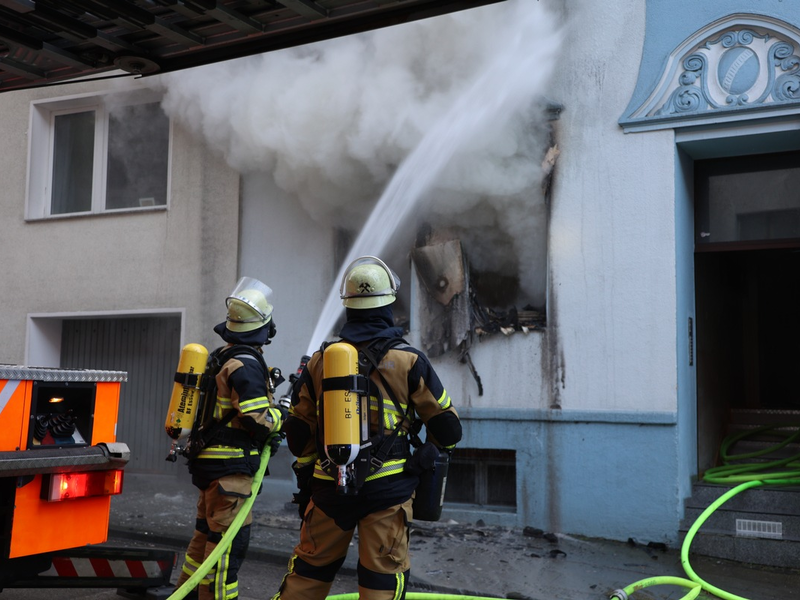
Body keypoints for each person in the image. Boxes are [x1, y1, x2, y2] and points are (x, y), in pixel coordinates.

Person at [273, 256, 463, 600]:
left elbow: (299, 437)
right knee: (381, 582)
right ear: (388, 304)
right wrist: (427, 453)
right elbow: (448, 429)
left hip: (329, 489)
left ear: (348, 307)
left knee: (308, 575)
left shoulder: (320, 361)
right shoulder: (409, 361)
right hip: (388, 491)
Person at [175, 277, 287, 600]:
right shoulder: (246, 364)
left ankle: (185, 594)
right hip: (230, 474)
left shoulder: (219, 357)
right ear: (263, 327)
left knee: (203, 542)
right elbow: (256, 418)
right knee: (226, 552)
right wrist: (283, 416)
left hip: (210, 467)